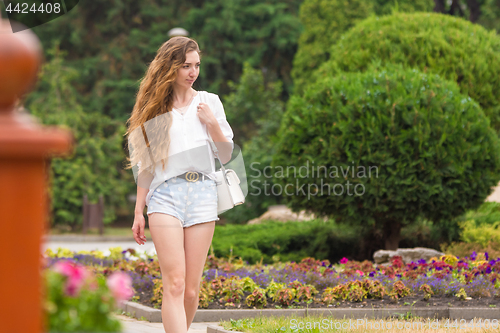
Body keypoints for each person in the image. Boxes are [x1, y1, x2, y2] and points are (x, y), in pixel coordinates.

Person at [124, 36, 234, 333]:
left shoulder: (209, 102)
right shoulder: (155, 111)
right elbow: (146, 167)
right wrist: (138, 211)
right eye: (186, 65)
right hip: (165, 198)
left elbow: (226, 156)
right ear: (170, 67)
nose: (192, 72)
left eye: (196, 65)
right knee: (173, 283)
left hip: (202, 196)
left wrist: (211, 124)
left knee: (190, 290)